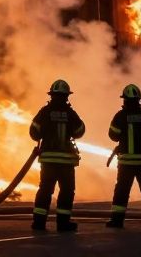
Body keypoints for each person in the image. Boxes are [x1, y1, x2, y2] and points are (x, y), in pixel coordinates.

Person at [30, 79, 86, 232]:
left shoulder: (45, 112)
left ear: (52, 95)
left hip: (48, 160)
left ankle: (39, 223)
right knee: (67, 191)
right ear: (67, 96)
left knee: (45, 190)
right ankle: (63, 224)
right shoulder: (70, 113)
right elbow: (80, 131)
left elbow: (34, 133)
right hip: (66, 162)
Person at [106, 84, 141, 229]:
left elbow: (113, 136)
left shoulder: (120, 116)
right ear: (139, 100)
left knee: (122, 191)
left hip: (126, 163)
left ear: (124, 100)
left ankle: (117, 221)